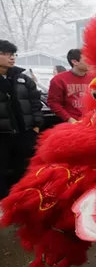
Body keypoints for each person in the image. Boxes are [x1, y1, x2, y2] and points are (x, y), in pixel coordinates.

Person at [0, 40, 43, 199]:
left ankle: (23, 199)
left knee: (24, 168)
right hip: (2, 135)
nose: (12, 58)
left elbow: (35, 102)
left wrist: (36, 126)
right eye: (6, 54)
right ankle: (4, 203)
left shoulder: (23, 78)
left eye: (13, 54)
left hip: (24, 132)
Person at [47, 49, 93, 123]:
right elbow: (53, 103)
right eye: (87, 59)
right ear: (75, 62)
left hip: (91, 122)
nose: (90, 62)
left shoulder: (94, 78)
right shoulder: (59, 80)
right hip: (71, 123)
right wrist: (69, 119)